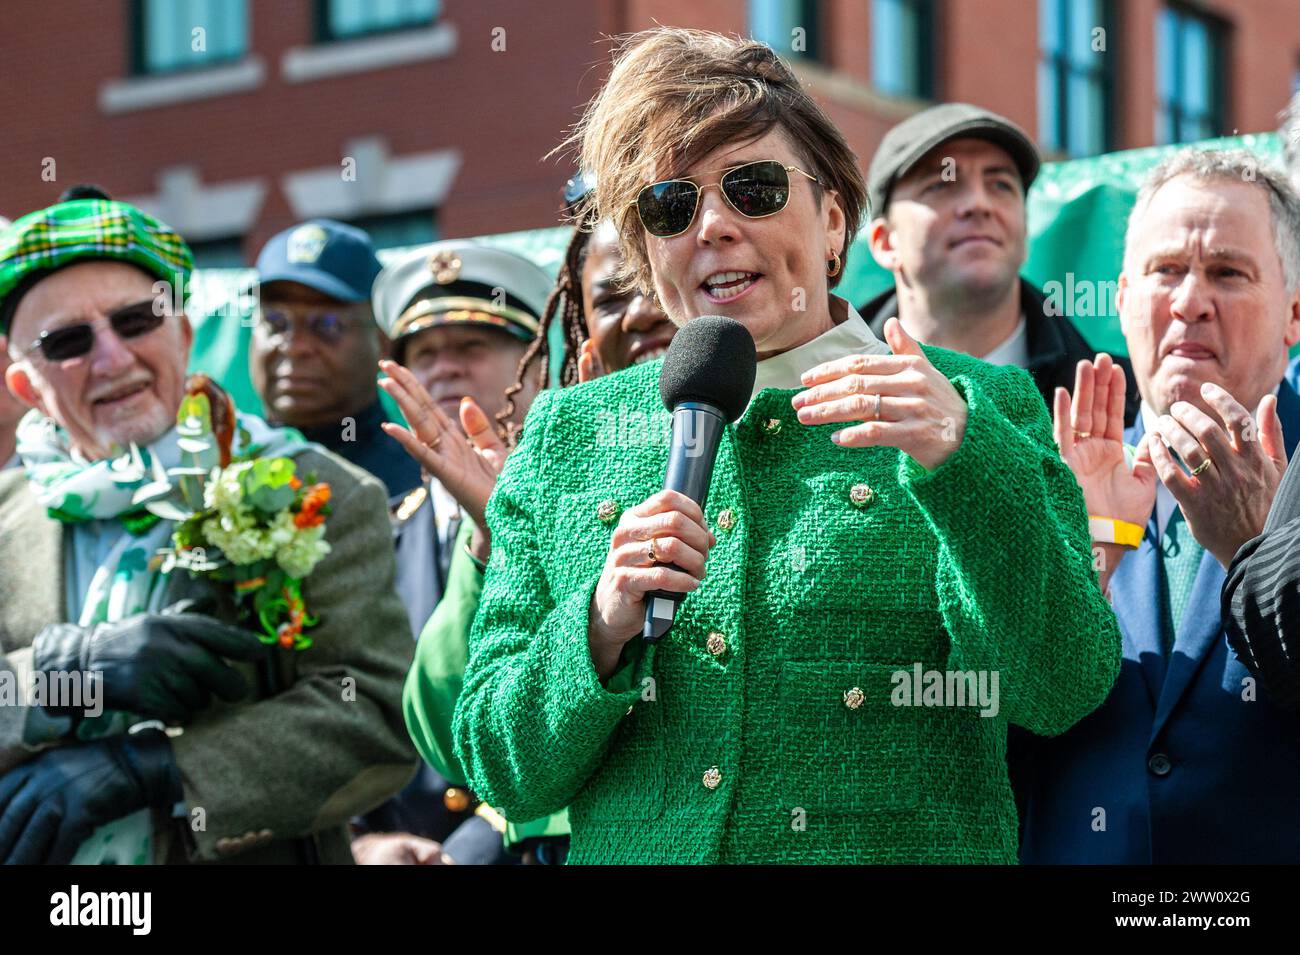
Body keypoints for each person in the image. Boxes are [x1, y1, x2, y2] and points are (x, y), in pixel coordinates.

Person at [444, 28, 1120, 864]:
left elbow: (1060, 686)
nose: (715, 226)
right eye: (670, 206)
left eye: (754, 187)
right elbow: (498, 764)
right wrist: (599, 622)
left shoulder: (975, 404)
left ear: (833, 220)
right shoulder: (568, 434)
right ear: (650, 253)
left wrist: (968, 460)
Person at [0, 192, 416, 864]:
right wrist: (63, 676)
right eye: (68, 342)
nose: (112, 359)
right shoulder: (6, 517)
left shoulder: (315, 488)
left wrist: (159, 769)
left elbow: (379, 716)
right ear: (26, 385)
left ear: (183, 334)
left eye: (135, 321)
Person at [1011, 149, 1300, 863]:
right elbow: (997, 735)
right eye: (1165, 270)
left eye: (1228, 272)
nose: (1190, 300)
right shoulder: (1047, 478)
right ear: (1120, 299)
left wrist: (1259, 553)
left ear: (1295, 313)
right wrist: (1093, 556)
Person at [397, 178, 678, 864]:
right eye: (612, 296)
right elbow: (452, 732)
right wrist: (494, 535)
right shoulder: (551, 482)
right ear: (584, 359)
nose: (643, 312)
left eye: (662, 279)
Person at [349, 240, 553, 865]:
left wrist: (482, 840)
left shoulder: (582, 511)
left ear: (536, 365)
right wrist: (362, 842)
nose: (444, 370)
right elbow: (354, 711)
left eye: (472, 347)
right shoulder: (377, 534)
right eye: (425, 354)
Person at [862, 103, 1140, 425]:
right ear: (884, 241)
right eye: (940, 184)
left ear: (1024, 231)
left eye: (1000, 185)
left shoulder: (1125, 409)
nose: (979, 204)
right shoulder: (815, 392)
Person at [248, 219, 420, 499]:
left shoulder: (418, 486)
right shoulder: (217, 473)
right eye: (276, 322)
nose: (295, 347)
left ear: (381, 342)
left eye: (327, 326)